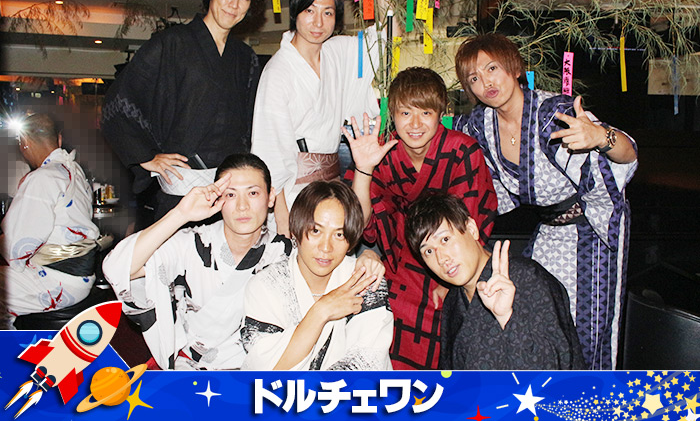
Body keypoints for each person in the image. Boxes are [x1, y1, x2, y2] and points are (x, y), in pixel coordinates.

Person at [455, 33, 638, 370]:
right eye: (474, 78)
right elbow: (474, 182)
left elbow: (628, 154)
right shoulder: (479, 125)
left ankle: (589, 397)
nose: (486, 82)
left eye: (492, 68)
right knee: (541, 321)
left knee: (588, 331)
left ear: (514, 67)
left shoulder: (554, 112)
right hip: (547, 231)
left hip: (591, 230)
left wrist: (600, 137)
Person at [103, 154, 384, 370]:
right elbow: (116, 269)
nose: (242, 206)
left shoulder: (284, 250)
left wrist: (368, 256)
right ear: (217, 198)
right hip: (192, 375)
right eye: (230, 194)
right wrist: (180, 214)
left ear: (271, 197)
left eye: (253, 193)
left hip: (261, 376)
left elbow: (334, 243)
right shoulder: (190, 244)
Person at [343, 67, 498, 370]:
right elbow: (358, 224)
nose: (415, 124)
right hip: (399, 256)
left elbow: (472, 222)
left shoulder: (461, 151)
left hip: (453, 257)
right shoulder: (382, 151)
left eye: (425, 113)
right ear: (392, 115)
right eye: (405, 113)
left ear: (441, 113)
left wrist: (451, 280)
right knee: (389, 320)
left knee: (453, 325)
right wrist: (363, 169)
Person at [102, 0, 266, 221]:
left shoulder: (245, 58)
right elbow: (120, 101)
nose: (234, 4)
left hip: (229, 194)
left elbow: (251, 125)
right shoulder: (171, 44)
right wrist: (146, 157)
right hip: (180, 192)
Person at [251, 0, 390, 237]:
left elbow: (387, 36)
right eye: (310, 11)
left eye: (327, 13)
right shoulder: (278, 71)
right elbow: (269, 152)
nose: (318, 22)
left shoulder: (337, 52)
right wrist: (281, 219)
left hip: (332, 187)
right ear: (296, 13)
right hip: (293, 195)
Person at [405, 193, 585, 370]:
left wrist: (507, 318)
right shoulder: (453, 300)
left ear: (471, 229)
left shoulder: (527, 278)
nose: (441, 259)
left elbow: (555, 372)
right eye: (428, 251)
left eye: (445, 239)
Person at [241, 181, 393, 370]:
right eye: (316, 231)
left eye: (339, 235)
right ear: (295, 230)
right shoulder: (266, 285)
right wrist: (321, 311)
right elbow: (264, 371)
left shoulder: (366, 280)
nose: (326, 247)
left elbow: (366, 365)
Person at [0, 113, 101, 329]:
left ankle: (8, 345)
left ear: (24, 142)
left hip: (55, 282)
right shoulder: (74, 171)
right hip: (79, 278)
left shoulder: (42, 178)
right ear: (59, 139)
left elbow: (16, 248)